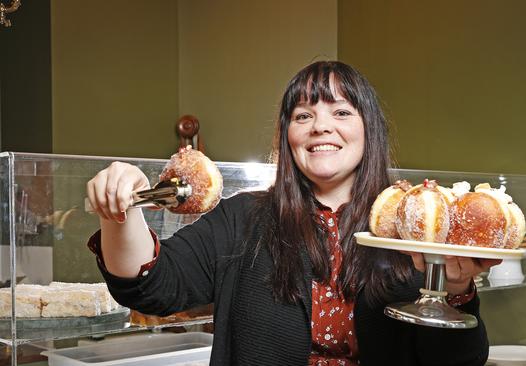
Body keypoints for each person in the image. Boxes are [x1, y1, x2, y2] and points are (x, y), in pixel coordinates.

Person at [86, 61, 500, 366]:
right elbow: (151, 286)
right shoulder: (242, 219)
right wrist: (118, 213)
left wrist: (456, 290)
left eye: (341, 112)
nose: (321, 126)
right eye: (304, 115)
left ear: (369, 130)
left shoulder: (411, 228)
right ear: (288, 136)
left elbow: (459, 362)